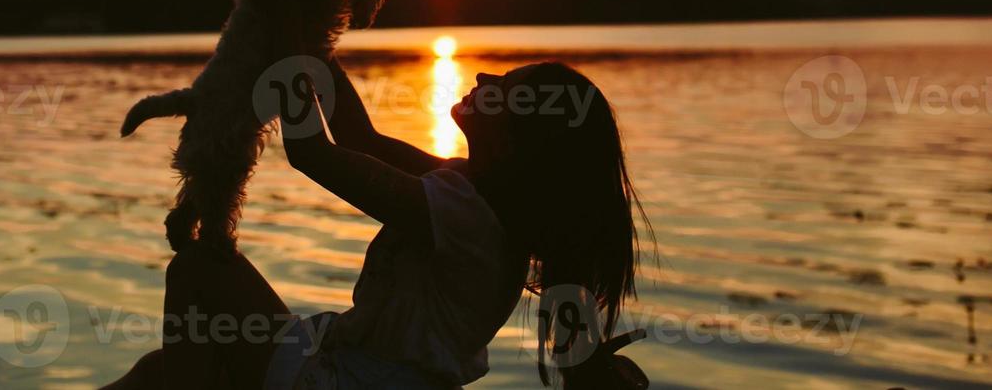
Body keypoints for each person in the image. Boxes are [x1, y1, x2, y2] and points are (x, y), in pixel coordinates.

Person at [105, 56, 649, 389]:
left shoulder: (467, 216)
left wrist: (289, 63)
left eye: (507, 85)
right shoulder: (470, 191)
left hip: (353, 382)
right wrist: (312, 40)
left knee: (198, 268)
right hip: (350, 360)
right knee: (163, 371)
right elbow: (360, 139)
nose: (484, 74)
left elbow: (314, 154)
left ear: (516, 142)